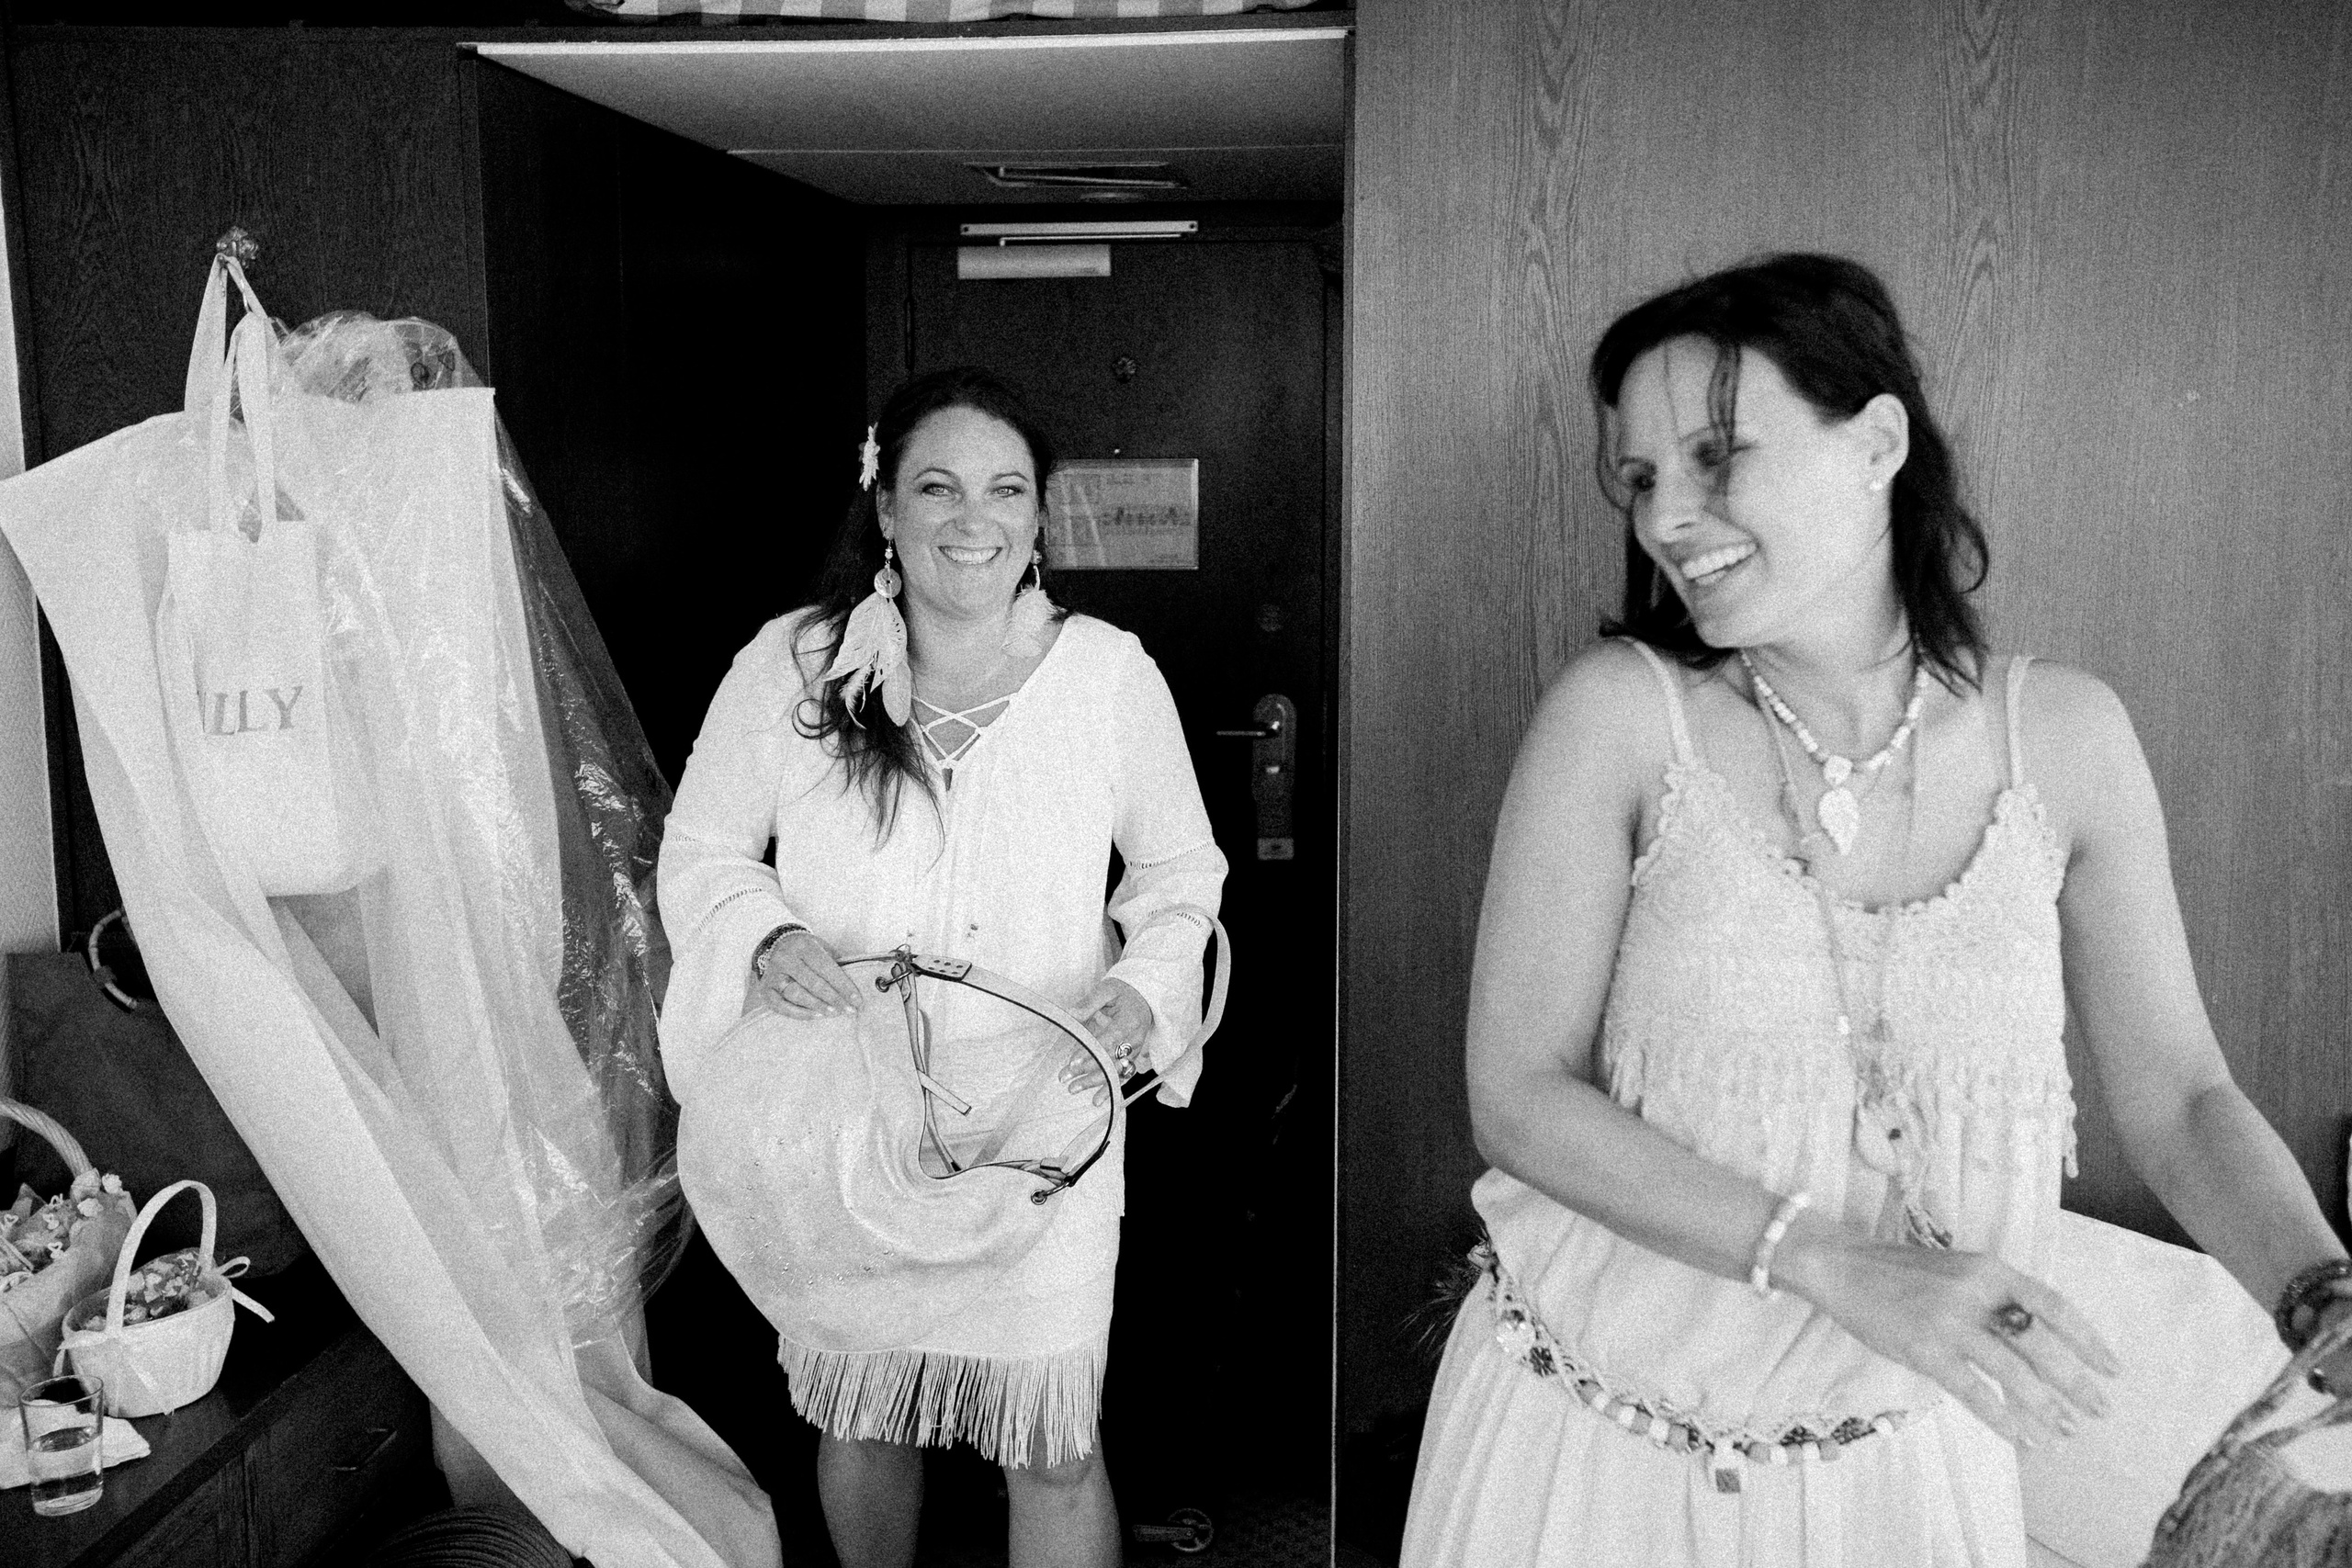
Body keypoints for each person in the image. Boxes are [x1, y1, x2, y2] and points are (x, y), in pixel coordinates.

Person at [1398, 253, 2352, 1565]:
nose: (1669, 515)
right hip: (1595, 1435)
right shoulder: (1619, 717)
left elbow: (2183, 1102)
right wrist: (1838, 1263)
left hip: (1896, 1465)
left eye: (1717, 454)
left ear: (1878, 442)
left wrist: (2322, 1296)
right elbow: (1517, 1093)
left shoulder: (2066, 737)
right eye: (1641, 477)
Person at [656, 367, 1227, 1568]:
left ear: (1037, 516)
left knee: (1054, 1441)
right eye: (939, 486)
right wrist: (768, 934)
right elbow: (703, 848)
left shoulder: (1107, 674)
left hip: (1041, 1122)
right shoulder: (795, 664)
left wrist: (1143, 988)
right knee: (863, 1415)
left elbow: (1184, 876)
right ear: (887, 507)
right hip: (847, 1114)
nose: (974, 518)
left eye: (1005, 490)